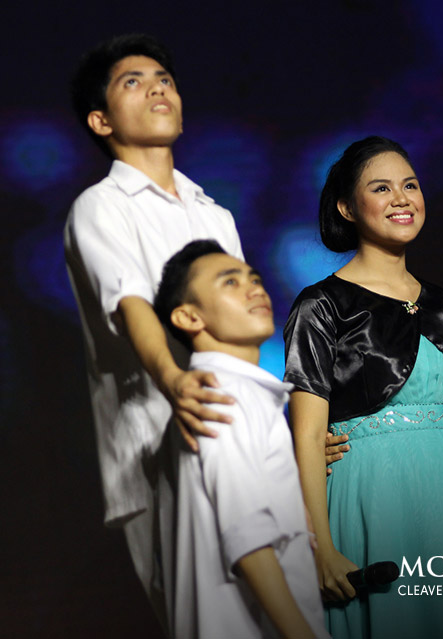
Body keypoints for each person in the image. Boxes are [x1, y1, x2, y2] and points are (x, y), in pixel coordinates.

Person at [284, 136, 443, 638]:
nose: (402, 198)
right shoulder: (322, 304)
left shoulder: (442, 303)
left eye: (411, 185)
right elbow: (307, 436)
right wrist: (321, 547)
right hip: (374, 493)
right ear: (345, 206)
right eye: (382, 188)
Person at [64, 34, 240, 628]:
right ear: (100, 119)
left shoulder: (215, 214)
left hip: (236, 445)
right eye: (132, 82)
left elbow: (242, 336)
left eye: (164, 77)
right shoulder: (100, 205)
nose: (157, 87)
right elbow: (130, 304)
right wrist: (175, 382)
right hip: (155, 450)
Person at [153, 240, 327, 639]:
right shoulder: (219, 394)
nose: (255, 289)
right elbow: (247, 535)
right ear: (188, 316)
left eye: (255, 278)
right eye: (230, 282)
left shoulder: (236, 392)